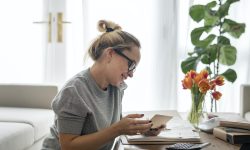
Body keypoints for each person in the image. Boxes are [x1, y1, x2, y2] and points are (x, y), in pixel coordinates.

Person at [42, 20, 165, 150]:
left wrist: (142, 129)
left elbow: (106, 126)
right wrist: (118, 129)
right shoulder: (74, 91)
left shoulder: (116, 87)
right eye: (131, 65)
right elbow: (69, 146)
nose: (131, 74)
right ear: (110, 54)